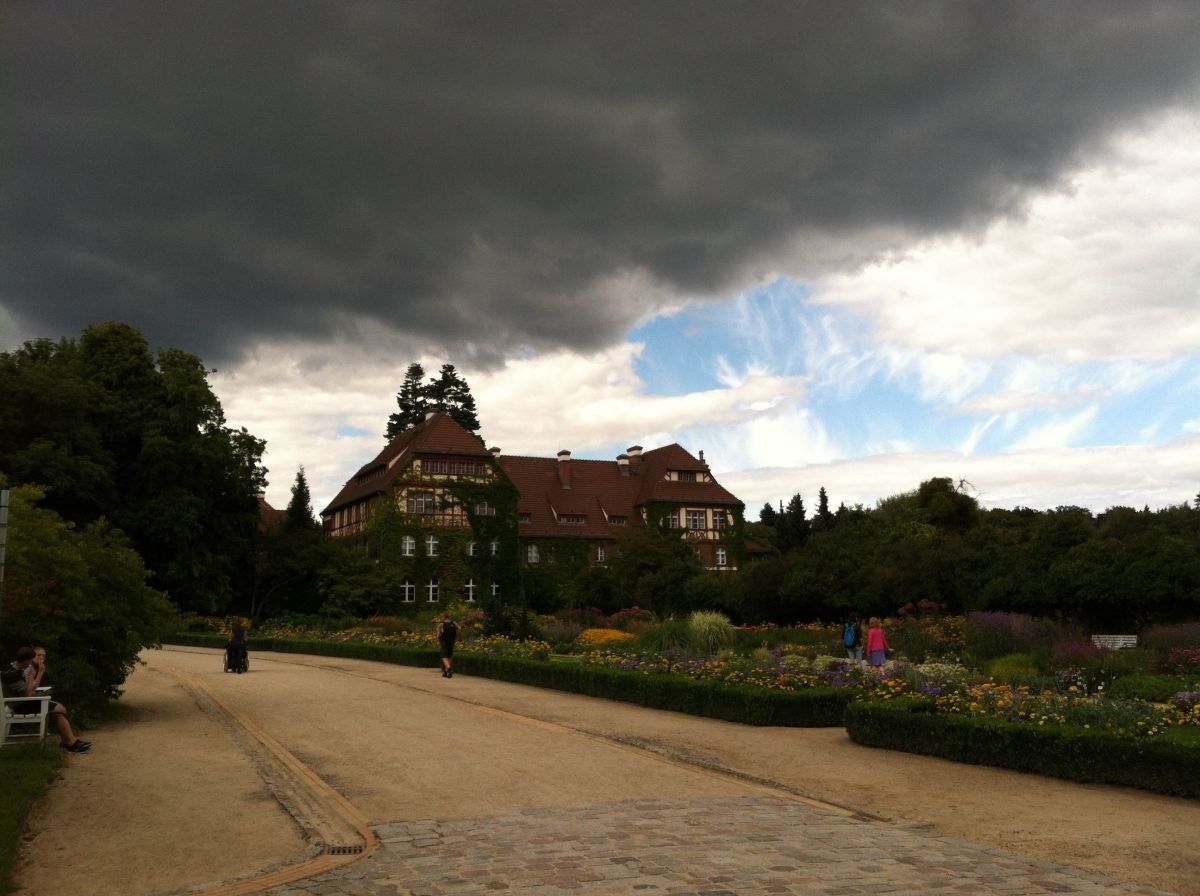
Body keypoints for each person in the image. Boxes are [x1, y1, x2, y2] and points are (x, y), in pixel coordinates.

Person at [3, 646, 92, 752]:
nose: (31, 663)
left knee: (60, 708)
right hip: (20, 705)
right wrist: (34, 674)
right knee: (59, 709)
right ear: (26, 660)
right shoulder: (12, 674)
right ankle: (70, 743)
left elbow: (29, 690)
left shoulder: (15, 668)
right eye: (31, 660)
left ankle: (68, 741)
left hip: (22, 701)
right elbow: (28, 693)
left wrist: (37, 674)